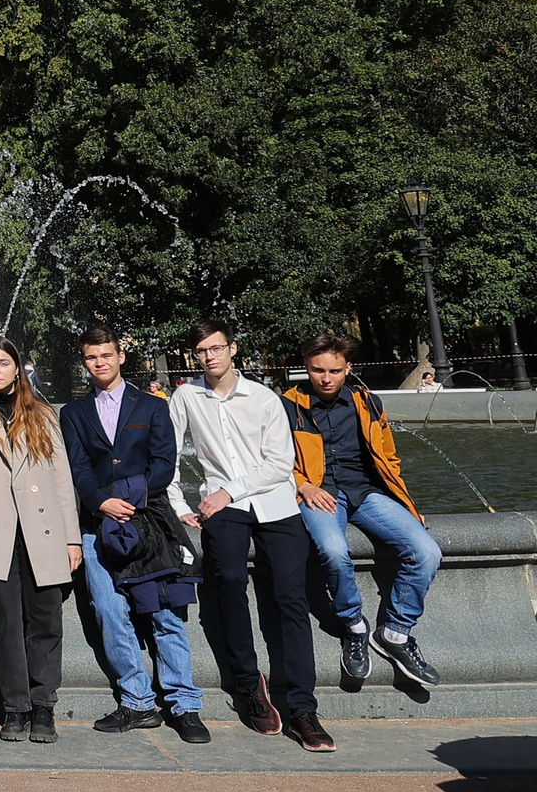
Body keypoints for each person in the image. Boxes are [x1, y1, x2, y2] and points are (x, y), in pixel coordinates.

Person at [171, 320, 331, 751]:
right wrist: (178, 505)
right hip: (222, 507)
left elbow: (279, 464)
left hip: (273, 502)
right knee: (228, 581)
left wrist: (228, 491)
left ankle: (303, 708)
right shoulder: (186, 396)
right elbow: (168, 453)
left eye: (216, 348)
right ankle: (248, 684)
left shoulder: (263, 397)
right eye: (202, 351)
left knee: (291, 597)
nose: (209, 357)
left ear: (233, 349)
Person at [58, 328, 208, 742]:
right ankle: (138, 702)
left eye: (106, 355)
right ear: (84, 362)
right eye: (92, 357)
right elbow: (78, 468)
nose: (100, 362)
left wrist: (124, 497)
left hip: (150, 520)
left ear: (120, 356)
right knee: (110, 613)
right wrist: (101, 503)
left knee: (165, 613)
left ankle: (184, 704)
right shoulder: (73, 412)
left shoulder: (153, 406)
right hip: (97, 524)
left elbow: (164, 464)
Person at [285, 332, 443, 690]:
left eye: (334, 371)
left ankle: (396, 632)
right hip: (319, 493)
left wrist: (407, 504)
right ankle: (354, 625)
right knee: (334, 551)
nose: (326, 378)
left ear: (348, 368)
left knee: (427, 551)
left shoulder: (368, 402)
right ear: (306, 367)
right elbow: (271, 459)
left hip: (365, 492)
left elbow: (389, 459)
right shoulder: (286, 406)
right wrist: (303, 486)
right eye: (318, 370)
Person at [0, 339, 82, 742]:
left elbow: (62, 479)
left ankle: (44, 706)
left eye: (3, 362)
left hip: (42, 529)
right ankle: (15, 707)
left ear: (17, 368)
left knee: (45, 619)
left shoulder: (41, 413)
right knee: (5, 622)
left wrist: (72, 539)